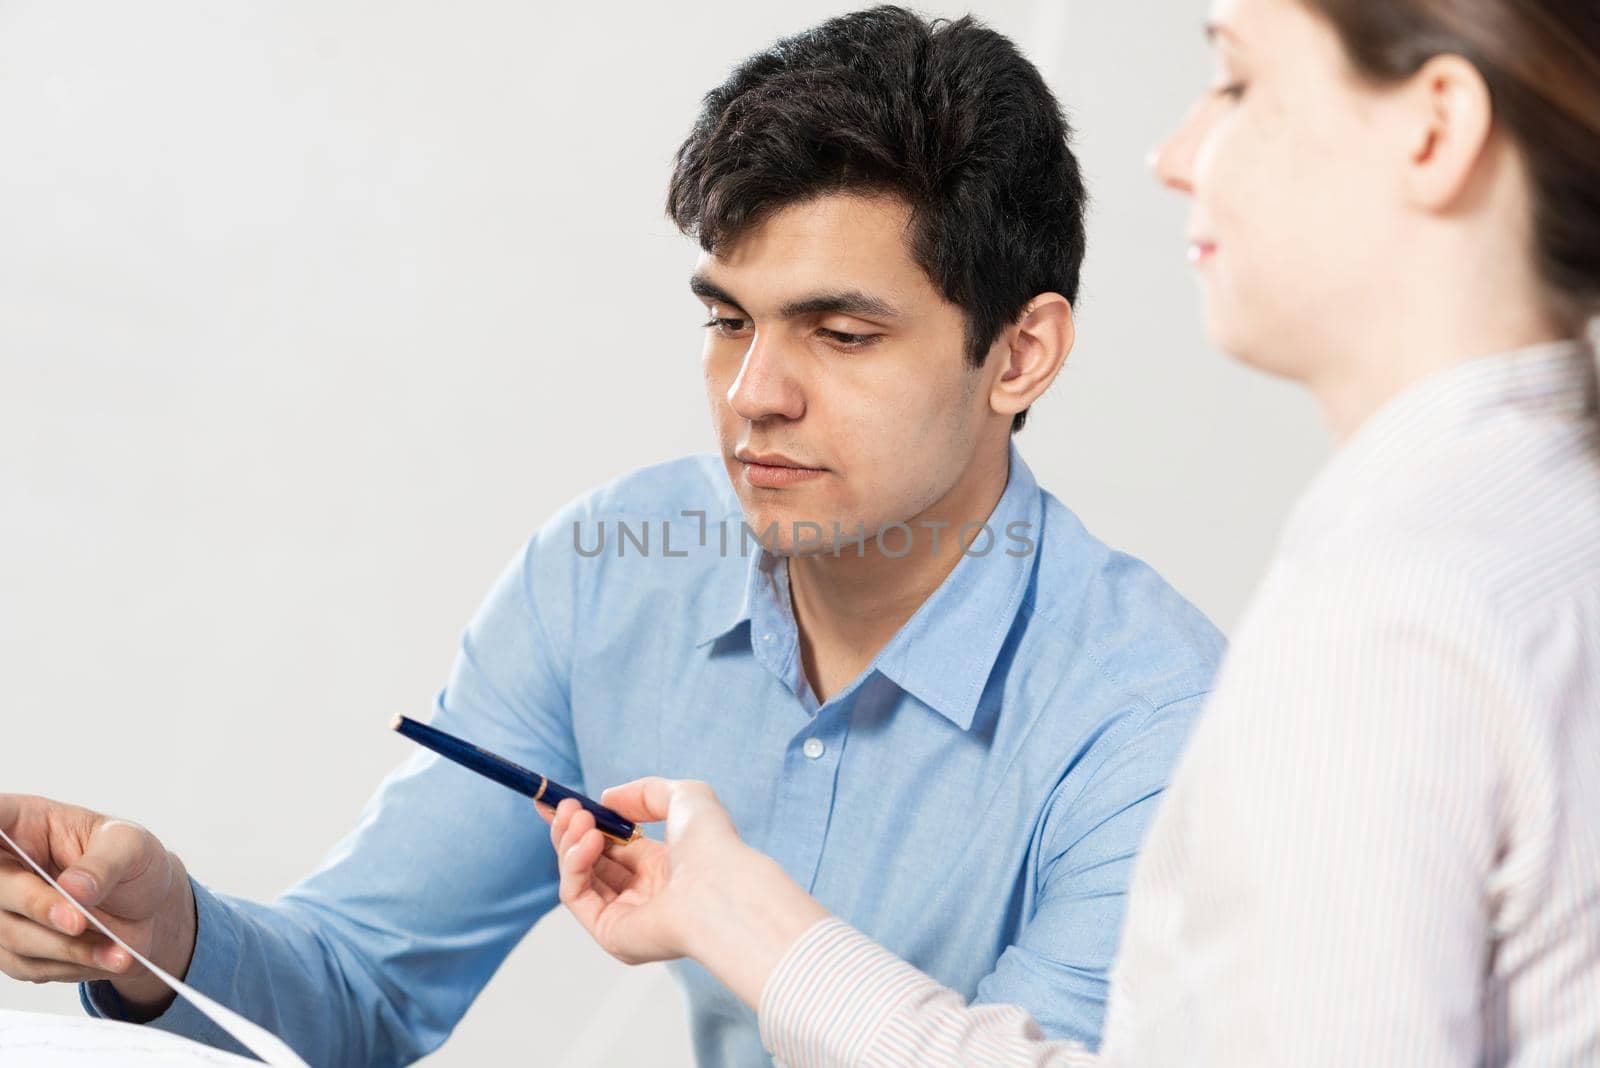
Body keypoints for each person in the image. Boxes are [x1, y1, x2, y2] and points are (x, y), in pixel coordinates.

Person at [0, 8, 1227, 1065]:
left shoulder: (1160, 724)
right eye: (726, 321)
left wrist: (743, 918)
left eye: (839, 335)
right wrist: (164, 943)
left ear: (1020, 353)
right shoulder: (611, 569)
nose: (754, 394)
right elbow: (364, 985)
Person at [542, 0, 1600, 1064]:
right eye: (726, 319)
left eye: (1236, 84)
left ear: (1433, 127)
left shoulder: (1393, 615)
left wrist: (752, 930)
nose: (1174, 154)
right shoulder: (1539, 535)